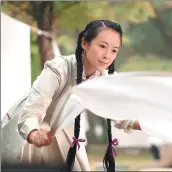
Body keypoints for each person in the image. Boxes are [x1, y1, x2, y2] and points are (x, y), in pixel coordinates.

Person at [1, 20, 141, 171]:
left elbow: (121, 114)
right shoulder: (58, 68)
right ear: (84, 44)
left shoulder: (104, 79)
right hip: (30, 131)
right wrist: (35, 134)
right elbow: (32, 112)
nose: (107, 55)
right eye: (102, 46)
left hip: (65, 130)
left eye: (114, 50)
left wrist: (156, 124)